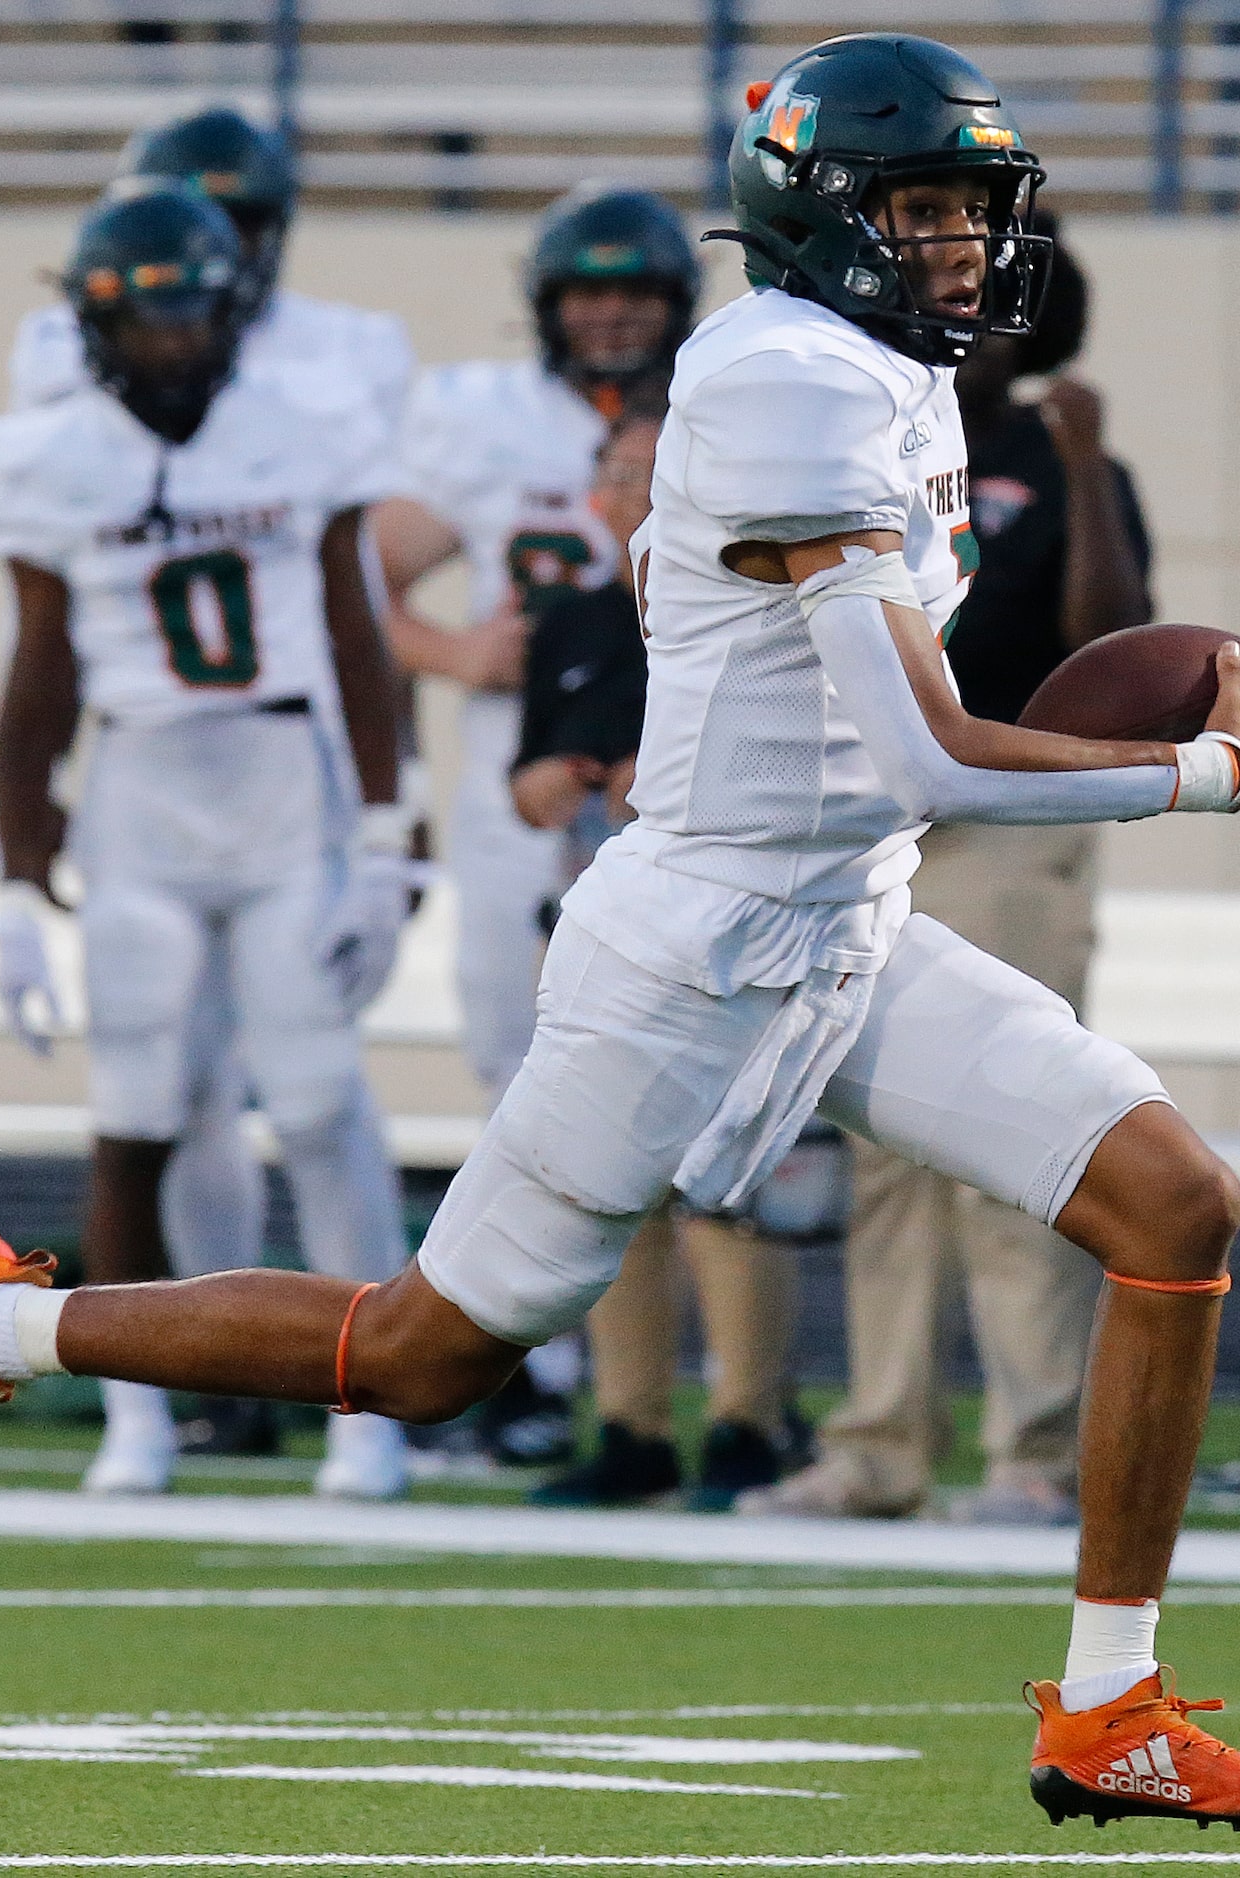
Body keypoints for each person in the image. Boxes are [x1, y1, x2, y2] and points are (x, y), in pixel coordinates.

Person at [0, 35, 1240, 1833]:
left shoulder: (877, 380)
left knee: (1175, 1197)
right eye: (918, 209)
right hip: (691, 950)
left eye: (970, 211)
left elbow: (799, 683)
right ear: (818, 218)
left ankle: (1107, 1711)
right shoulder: (781, 386)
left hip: (843, 917)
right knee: (423, 1346)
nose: (956, 246)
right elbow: (921, 748)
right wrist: (1193, 768)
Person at [0, 108, 420, 1492]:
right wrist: (13, 867)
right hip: (138, 786)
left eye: (195, 316)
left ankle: (370, 1395)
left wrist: (380, 828)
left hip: (282, 777)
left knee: (311, 1092)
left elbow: (360, 631)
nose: (175, 346)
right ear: (98, 331)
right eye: (149, 321)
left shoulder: (306, 420)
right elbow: (41, 666)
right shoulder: (48, 451)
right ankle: (139, 1403)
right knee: (143, 1099)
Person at [740, 216, 1155, 1526]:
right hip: (888, 812)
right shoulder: (885, 451)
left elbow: (1115, 634)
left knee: (1010, 1126)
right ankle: (879, 1442)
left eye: (998, 302)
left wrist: (1085, 469)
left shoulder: (1055, 457)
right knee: (880, 1143)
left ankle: (1034, 1452)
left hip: (1015, 812)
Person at [371, 185, 702, 1464]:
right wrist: (458, 654)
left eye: (634, 293)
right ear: (545, 305)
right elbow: (364, 576)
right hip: (527, 792)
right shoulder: (480, 419)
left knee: (686, 1095)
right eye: (587, 293)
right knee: (521, 1070)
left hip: (682, 785)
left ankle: (693, 1386)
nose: (611, 315)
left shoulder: (721, 404)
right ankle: (532, 1363)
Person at [508, 408, 804, 1511]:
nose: (637, 494)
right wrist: (551, 783)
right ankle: (628, 1421)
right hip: (605, 927)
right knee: (601, 1182)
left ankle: (748, 1421)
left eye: (656, 474)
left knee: (730, 1187)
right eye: (621, 474)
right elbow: (527, 772)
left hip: (733, 931)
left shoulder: (750, 606)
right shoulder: (575, 623)